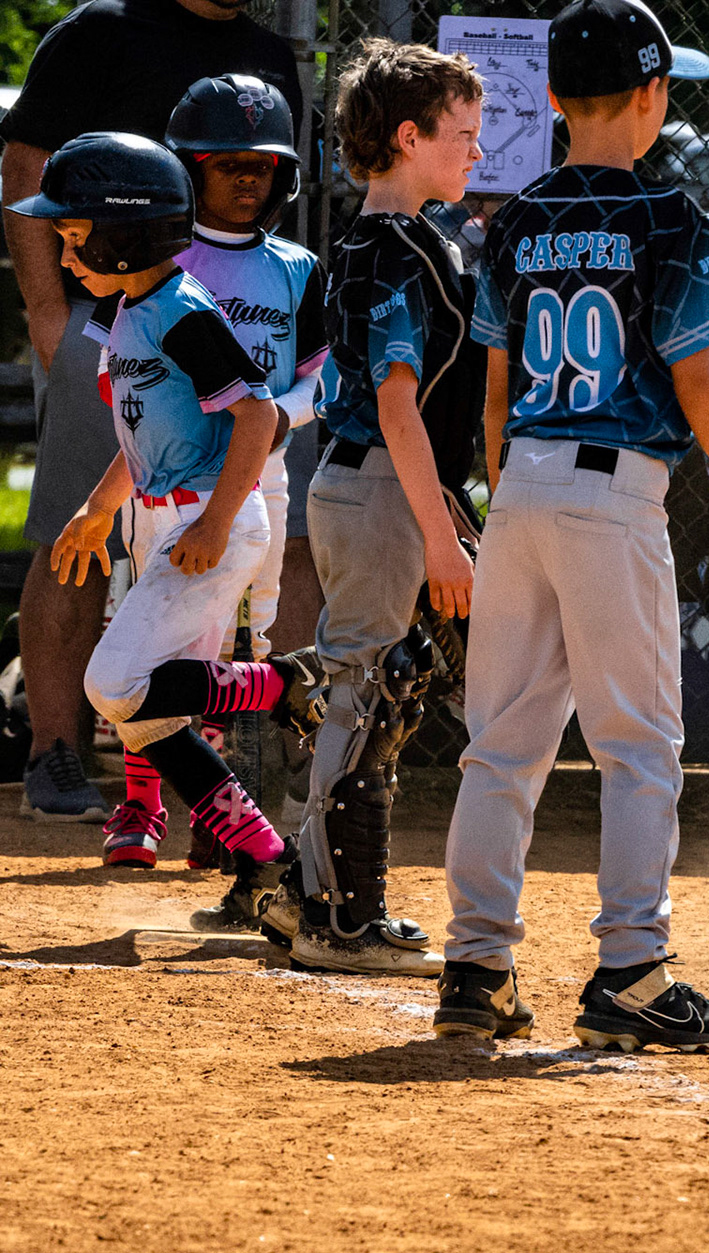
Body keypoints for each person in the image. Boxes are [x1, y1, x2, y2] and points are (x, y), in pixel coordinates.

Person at [434, 0, 709, 1049]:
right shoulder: (668, 218)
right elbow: (699, 381)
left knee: (501, 745)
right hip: (614, 491)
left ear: (554, 97)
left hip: (521, 484)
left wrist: (512, 499)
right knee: (639, 745)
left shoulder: (514, 221)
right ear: (653, 96)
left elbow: (495, 395)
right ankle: (633, 970)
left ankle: (475, 964)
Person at [0, 0, 305, 825]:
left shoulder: (270, 54)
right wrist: (48, 311)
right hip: (110, 324)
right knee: (76, 538)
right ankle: (55, 749)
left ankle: (248, 763)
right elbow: (27, 163)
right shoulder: (101, 31)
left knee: (240, 565)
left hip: (223, 343)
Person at [253, 39, 484, 978]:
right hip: (384, 485)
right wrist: (441, 537)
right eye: (461, 135)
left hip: (388, 484)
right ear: (408, 137)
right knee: (368, 693)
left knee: (383, 686)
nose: (477, 151)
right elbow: (396, 405)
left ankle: (306, 890)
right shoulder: (391, 251)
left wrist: (448, 517)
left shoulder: (394, 240)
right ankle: (339, 918)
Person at [158, 74, 332, 925]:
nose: (246, 180)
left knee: (247, 639)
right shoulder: (162, 260)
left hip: (262, 472)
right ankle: (154, 805)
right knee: (166, 642)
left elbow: (319, 381)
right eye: (226, 164)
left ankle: (235, 834)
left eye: (261, 166)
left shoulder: (296, 268)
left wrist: (270, 422)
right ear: (187, 169)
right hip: (173, 477)